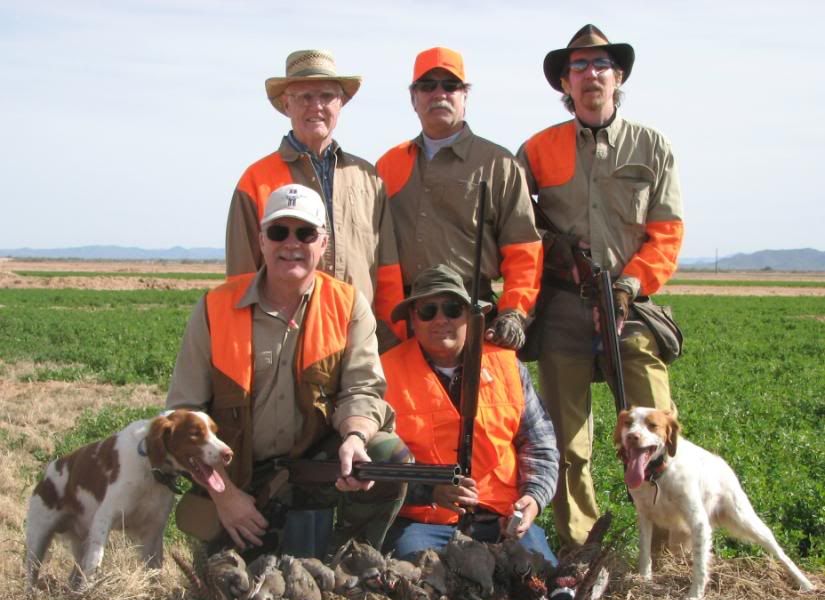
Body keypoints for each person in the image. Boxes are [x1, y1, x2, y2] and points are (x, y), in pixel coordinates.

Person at [168, 184, 408, 559]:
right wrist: (225, 496)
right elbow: (182, 418)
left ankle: (350, 563)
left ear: (323, 243)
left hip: (313, 465)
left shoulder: (348, 304)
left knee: (386, 456)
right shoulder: (215, 308)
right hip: (240, 475)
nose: (291, 244)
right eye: (279, 232)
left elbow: (362, 389)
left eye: (306, 233)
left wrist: (355, 438)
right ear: (261, 241)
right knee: (236, 583)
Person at [518, 25, 684, 545]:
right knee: (567, 444)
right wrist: (555, 246)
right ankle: (580, 552)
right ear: (565, 83)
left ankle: (664, 555)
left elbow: (667, 233)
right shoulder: (537, 149)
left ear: (619, 77)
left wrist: (629, 286)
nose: (590, 74)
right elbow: (514, 223)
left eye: (601, 65)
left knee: (657, 433)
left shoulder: (651, 146)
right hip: (564, 306)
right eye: (579, 66)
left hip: (630, 308)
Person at [225, 49, 404, 346]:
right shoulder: (255, 180)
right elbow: (241, 280)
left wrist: (391, 338)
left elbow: (388, 271)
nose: (316, 106)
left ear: (341, 103)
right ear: (287, 105)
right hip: (286, 343)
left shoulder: (369, 179)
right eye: (305, 97)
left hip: (359, 339)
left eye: (326, 96)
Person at [381, 265, 558, 561]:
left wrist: (533, 499)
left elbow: (540, 445)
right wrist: (429, 490)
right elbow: (374, 465)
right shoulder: (385, 372)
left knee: (543, 578)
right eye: (428, 311)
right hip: (424, 523)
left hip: (502, 521)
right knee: (420, 579)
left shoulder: (508, 366)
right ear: (412, 318)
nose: (441, 320)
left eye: (453, 309)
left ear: (470, 316)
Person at [376, 47, 542, 351]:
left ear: (465, 96)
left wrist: (514, 313)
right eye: (427, 86)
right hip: (406, 317)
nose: (439, 94)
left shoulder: (499, 164)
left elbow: (524, 249)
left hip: (471, 313)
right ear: (413, 98)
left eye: (450, 85)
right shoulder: (388, 165)